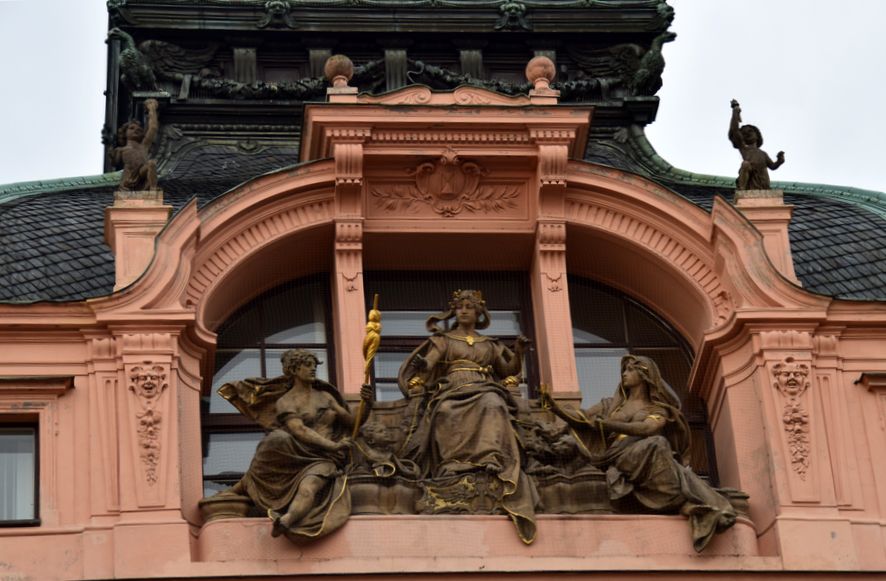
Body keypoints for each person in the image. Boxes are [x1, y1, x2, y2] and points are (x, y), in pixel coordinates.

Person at [541, 354, 737, 552]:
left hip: (641, 452)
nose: (624, 374)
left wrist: (608, 424)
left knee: (658, 444)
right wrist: (555, 407)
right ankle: (688, 503)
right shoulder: (610, 405)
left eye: (630, 370)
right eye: (624, 370)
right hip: (615, 456)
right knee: (664, 454)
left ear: (644, 375)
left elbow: (647, 429)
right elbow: (582, 418)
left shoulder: (658, 409)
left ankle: (687, 504)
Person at [397, 289, 537, 544]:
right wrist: (423, 365)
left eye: (469, 307)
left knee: (494, 405)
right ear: (454, 311)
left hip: (484, 386)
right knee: (446, 412)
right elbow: (431, 361)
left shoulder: (489, 344)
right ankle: (454, 463)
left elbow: (508, 369)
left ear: (478, 312)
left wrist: (518, 351)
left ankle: (491, 458)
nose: (463, 310)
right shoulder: (445, 340)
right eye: (459, 306)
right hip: (453, 388)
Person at [218, 349, 373, 541]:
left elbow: (352, 422)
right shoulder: (286, 401)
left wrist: (367, 403)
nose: (313, 369)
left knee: (308, 489)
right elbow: (299, 430)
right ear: (293, 369)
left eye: (314, 365)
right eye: (307, 365)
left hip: (323, 459)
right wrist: (332, 445)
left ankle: (286, 521)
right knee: (276, 439)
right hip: (297, 454)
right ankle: (245, 485)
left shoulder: (326, 397)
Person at [729, 99, 784, 190]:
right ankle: (742, 189)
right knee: (745, 164)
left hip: (762, 180)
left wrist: (780, 160)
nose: (747, 133)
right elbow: (734, 130)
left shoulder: (763, 153)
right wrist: (735, 112)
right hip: (750, 179)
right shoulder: (744, 147)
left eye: (750, 131)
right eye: (744, 133)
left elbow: (772, 166)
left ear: (757, 136)